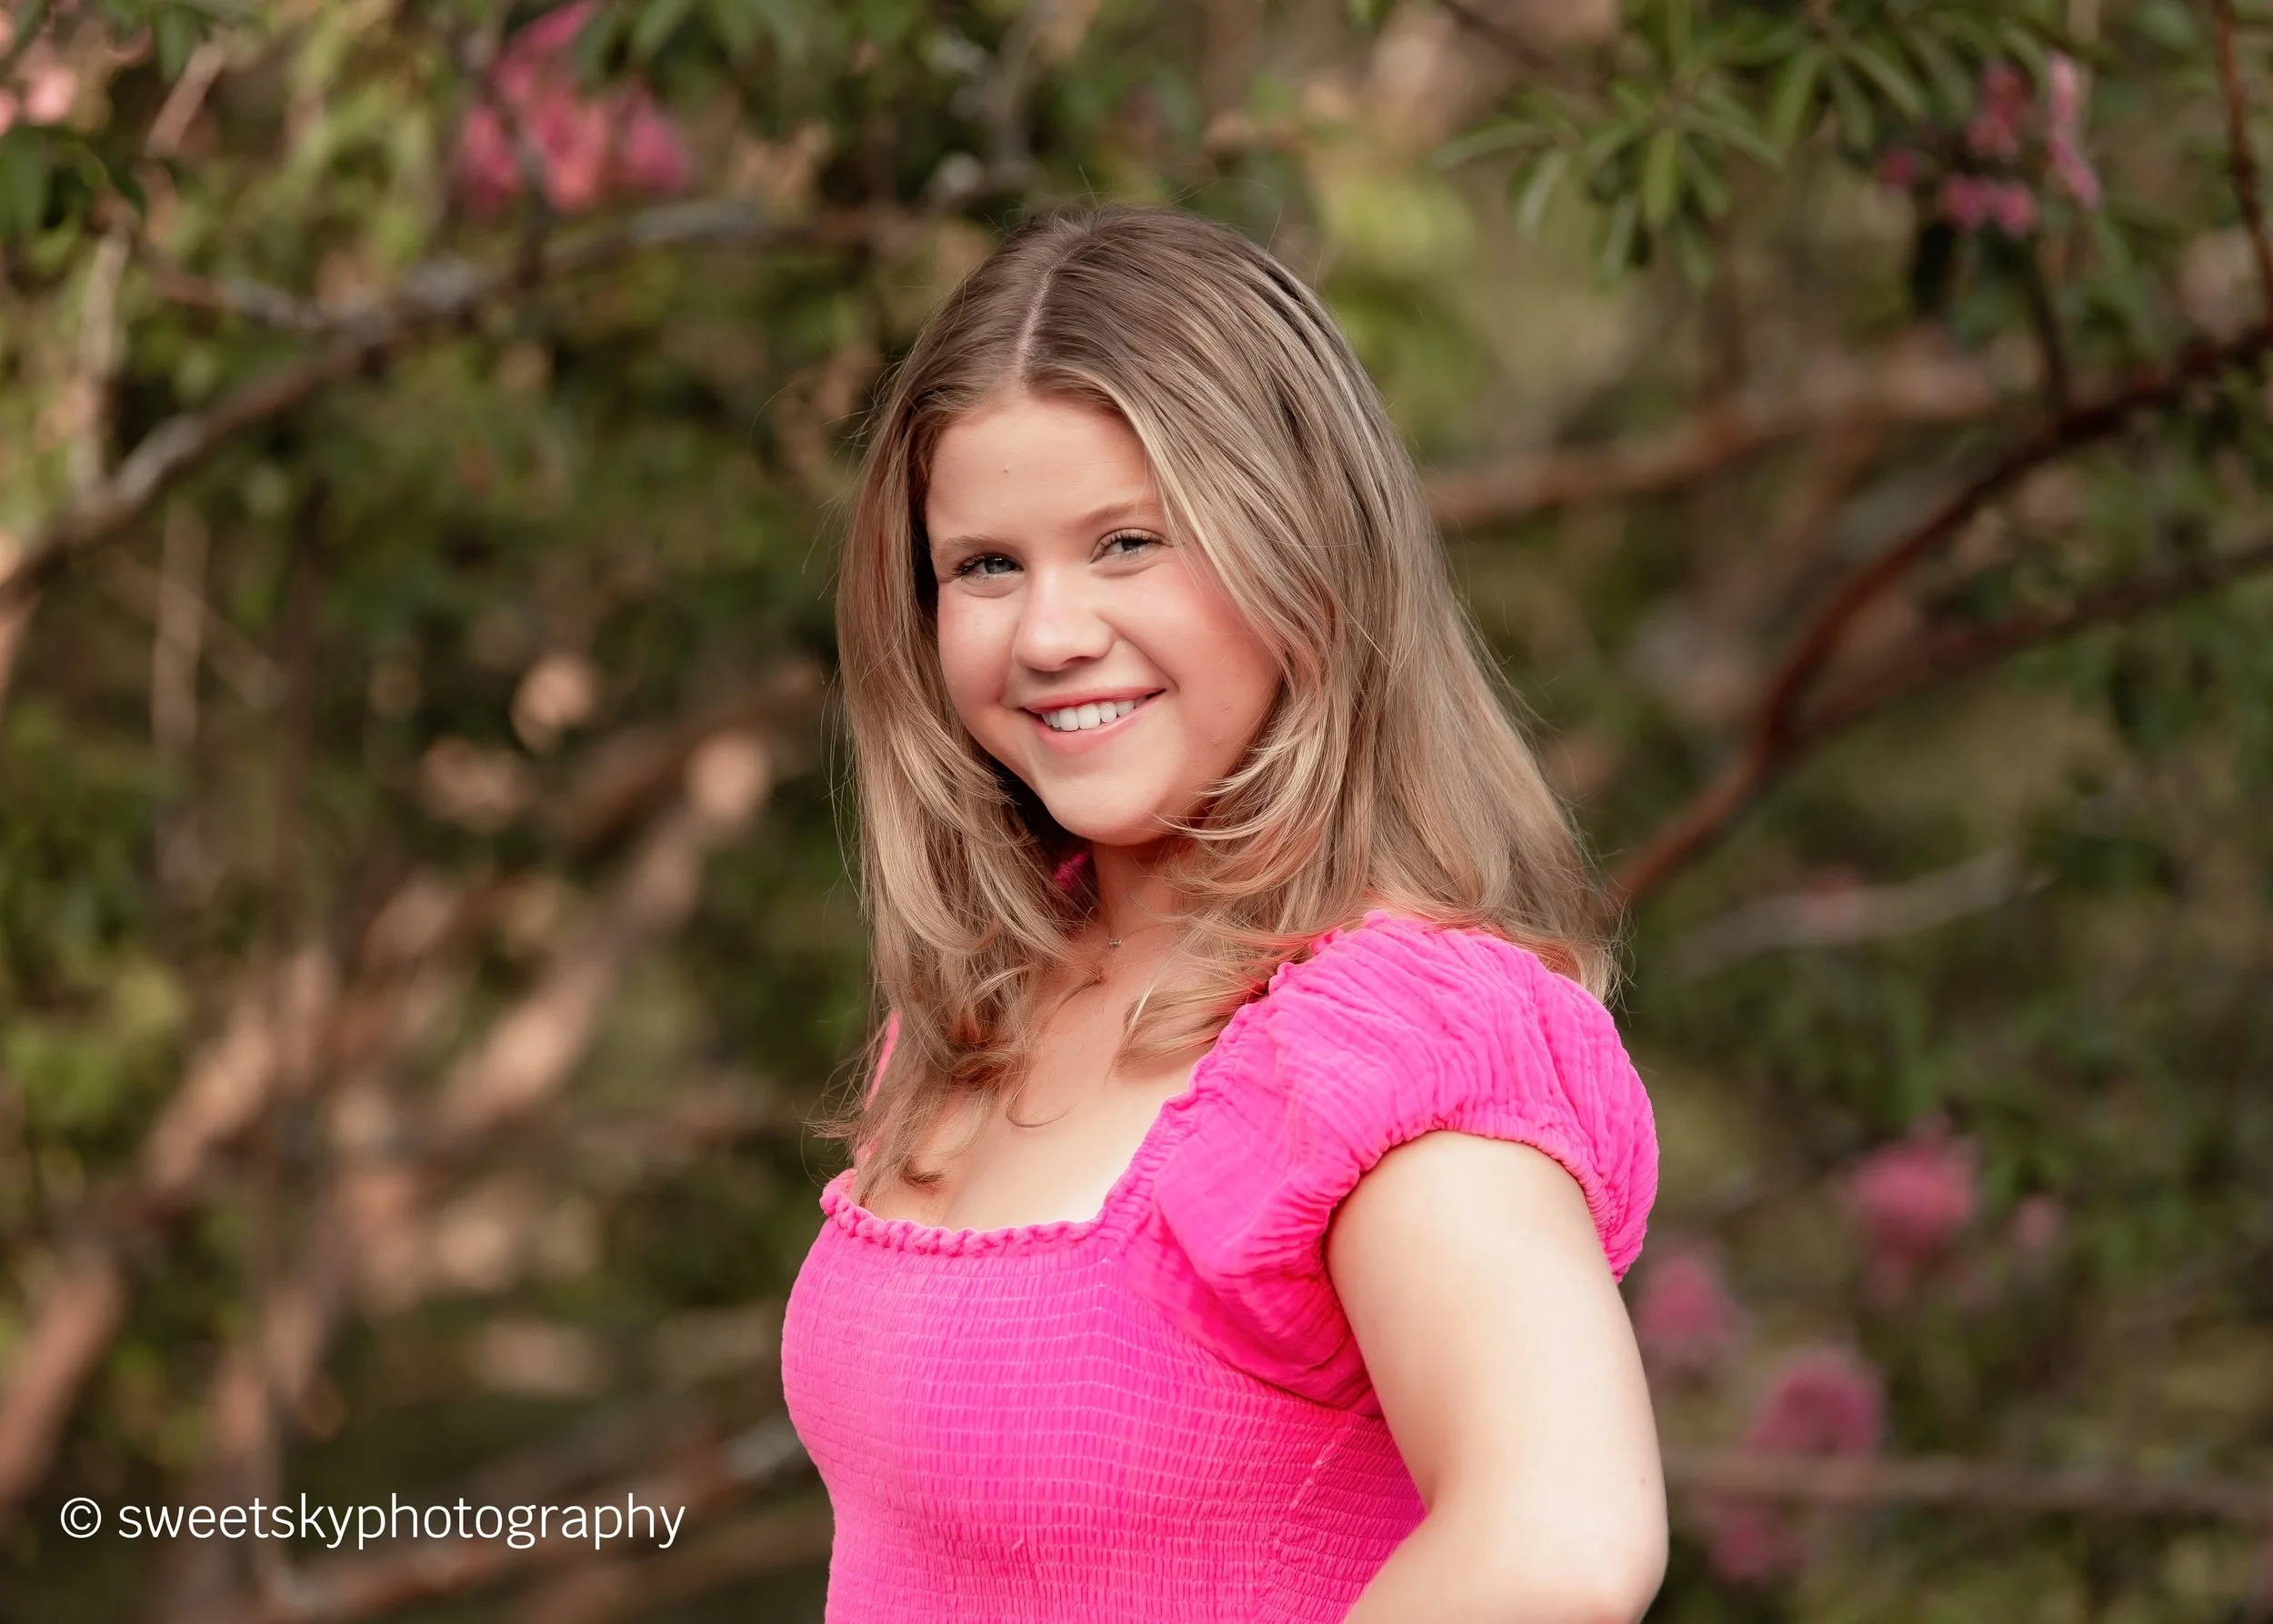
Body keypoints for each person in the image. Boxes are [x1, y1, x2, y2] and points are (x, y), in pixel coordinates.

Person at [779, 205, 1665, 1623]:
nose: (1051, 632)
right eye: (987, 566)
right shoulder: (988, 1000)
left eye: (1129, 541)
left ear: (1302, 549)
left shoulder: (1396, 1051)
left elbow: (1557, 1540)